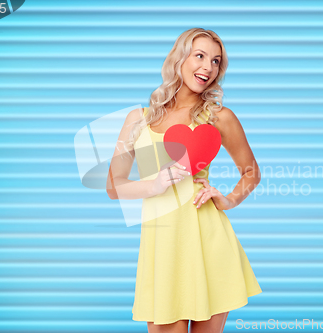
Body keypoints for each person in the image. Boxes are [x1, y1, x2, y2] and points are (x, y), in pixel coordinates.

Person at [107, 28, 262, 333]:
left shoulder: (219, 117)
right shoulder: (139, 118)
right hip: (163, 247)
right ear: (180, 59)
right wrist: (154, 185)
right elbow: (115, 186)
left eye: (216, 61)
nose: (208, 67)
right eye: (200, 56)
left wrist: (228, 199)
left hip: (209, 241)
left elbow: (251, 171)